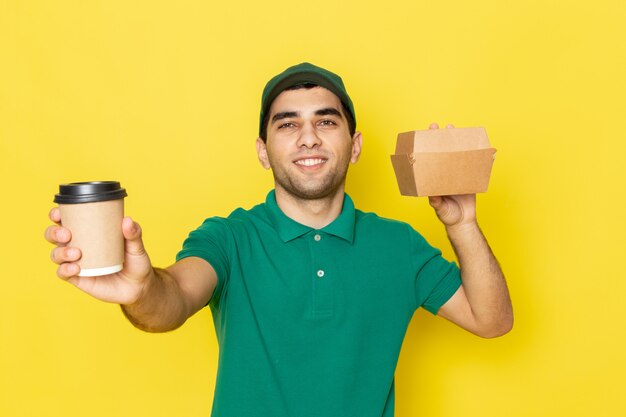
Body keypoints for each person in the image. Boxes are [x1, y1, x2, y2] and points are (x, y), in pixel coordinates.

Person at [45, 62, 513, 417]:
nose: (308, 138)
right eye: (287, 124)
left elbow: (491, 320)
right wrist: (142, 290)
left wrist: (462, 223)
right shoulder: (228, 238)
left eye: (326, 122)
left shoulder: (399, 245)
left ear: (354, 145)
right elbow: (173, 300)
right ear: (263, 152)